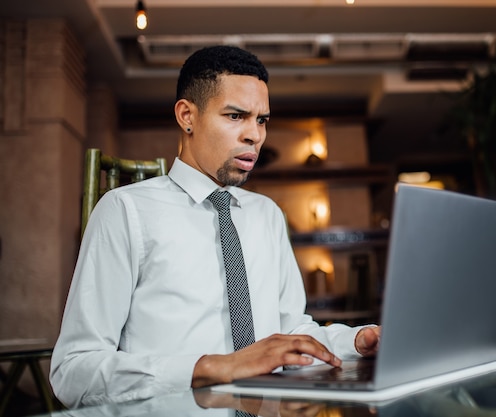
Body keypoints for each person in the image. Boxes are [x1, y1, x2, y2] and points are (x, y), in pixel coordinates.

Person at [50, 45, 381, 408]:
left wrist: (354, 341)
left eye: (262, 120)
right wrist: (211, 368)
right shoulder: (125, 210)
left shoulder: (267, 215)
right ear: (187, 115)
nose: (254, 134)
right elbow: (73, 372)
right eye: (236, 115)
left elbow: (291, 332)